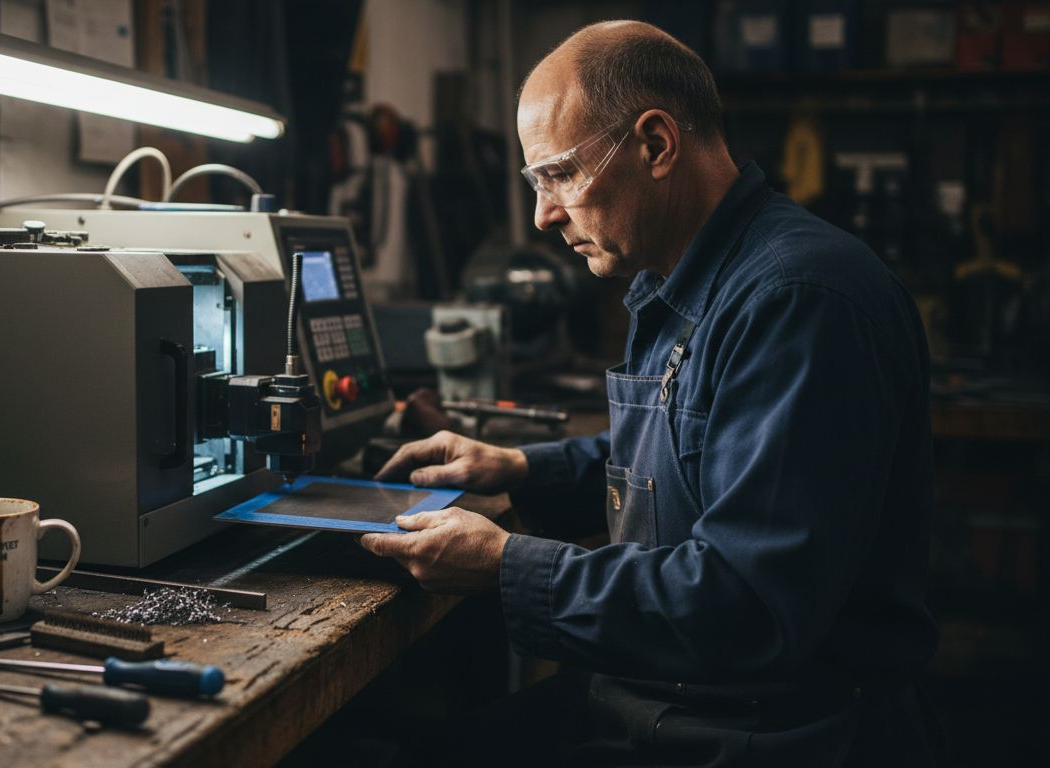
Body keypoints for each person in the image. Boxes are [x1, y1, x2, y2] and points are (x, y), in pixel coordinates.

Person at [359, 20, 939, 766]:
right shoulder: (684, 278)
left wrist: (510, 566)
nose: (544, 214)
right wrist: (524, 468)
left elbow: (748, 602)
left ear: (656, 145)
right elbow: (699, 450)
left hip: (773, 730)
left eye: (560, 174)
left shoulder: (799, 300)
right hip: (678, 695)